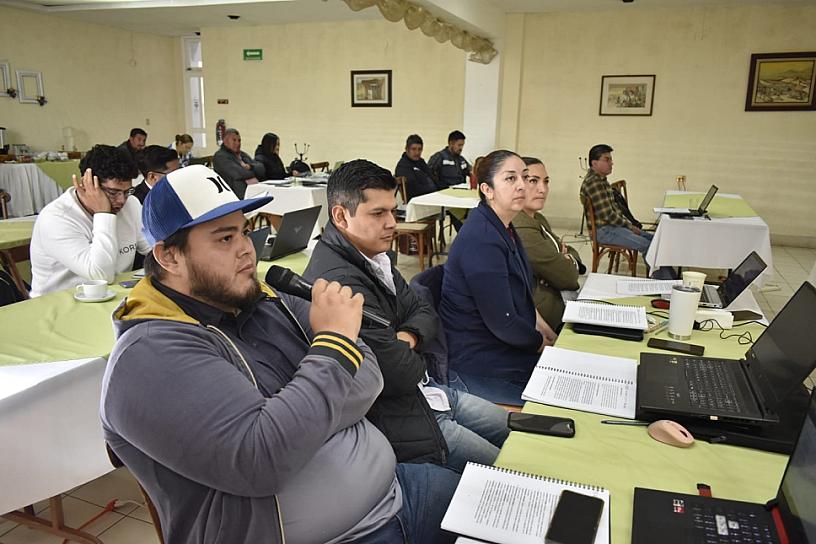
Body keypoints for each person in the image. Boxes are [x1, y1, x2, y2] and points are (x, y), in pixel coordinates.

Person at [101, 164, 460, 544]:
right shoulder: (150, 355)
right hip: (346, 536)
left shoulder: (263, 299)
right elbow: (264, 459)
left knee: (511, 513)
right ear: (169, 257)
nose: (246, 249)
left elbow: (370, 375)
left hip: (397, 491)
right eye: (224, 239)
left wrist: (295, 417)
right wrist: (333, 345)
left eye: (244, 230)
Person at [303, 159, 509, 472]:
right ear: (341, 216)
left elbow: (424, 310)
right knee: (509, 466)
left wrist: (408, 336)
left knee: (519, 431)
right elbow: (398, 375)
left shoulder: (372, 255)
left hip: (430, 394)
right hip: (403, 421)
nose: (392, 223)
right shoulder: (339, 280)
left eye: (393, 211)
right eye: (378, 213)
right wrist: (413, 346)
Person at [439, 150, 557, 406]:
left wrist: (552, 338)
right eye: (510, 179)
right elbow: (504, 323)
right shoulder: (482, 239)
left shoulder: (504, 226)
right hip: (481, 362)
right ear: (487, 189)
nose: (522, 185)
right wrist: (544, 346)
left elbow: (522, 299)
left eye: (525, 177)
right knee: (560, 397)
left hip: (502, 345)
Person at [29, 145, 150, 297]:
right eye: (113, 192)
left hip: (114, 296)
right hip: (58, 304)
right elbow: (101, 275)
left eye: (127, 192)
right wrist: (103, 214)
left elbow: (153, 248)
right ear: (86, 184)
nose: (121, 200)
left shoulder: (130, 204)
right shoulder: (56, 218)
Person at [580, 144, 673, 278]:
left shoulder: (601, 180)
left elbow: (614, 211)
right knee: (648, 245)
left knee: (655, 240)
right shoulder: (594, 183)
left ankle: (669, 278)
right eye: (607, 160)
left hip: (612, 227)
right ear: (594, 163)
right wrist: (629, 226)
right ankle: (663, 283)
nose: (611, 163)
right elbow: (608, 215)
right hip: (603, 231)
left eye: (610, 159)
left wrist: (628, 225)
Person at [515, 157, 586, 330]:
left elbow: (568, 250)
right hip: (545, 316)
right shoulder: (520, 225)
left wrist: (565, 258)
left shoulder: (537, 218)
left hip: (557, 301)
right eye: (533, 181)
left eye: (546, 182)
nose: (543, 189)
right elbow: (567, 277)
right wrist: (561, 262)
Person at [213, 128, 265, 198]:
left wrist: (250, 167)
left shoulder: (242, 154)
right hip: (235, 195)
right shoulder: (220, 156)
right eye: (234, 140)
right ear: (225, 141)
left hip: (254, 191)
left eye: (239, 140)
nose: (237, 143)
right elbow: (239, 174)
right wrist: (254, 172)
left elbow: (262, 168)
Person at [394, 134, 438, 201]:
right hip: (417, 201)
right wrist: (433, 190)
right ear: (407, 149)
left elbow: (433, 178)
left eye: (419, 149)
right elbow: (413, 189)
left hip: (430, 196)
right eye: (413, 149)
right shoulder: (402, 166)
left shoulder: (421, 161)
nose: (417, 152)